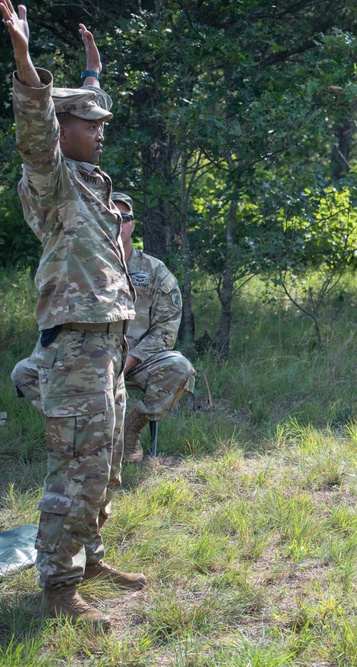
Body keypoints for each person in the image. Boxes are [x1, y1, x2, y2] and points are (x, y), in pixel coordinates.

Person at [3, 5, 146, 628]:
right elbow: (37, 125)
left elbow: (80, 110)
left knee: (107, 459)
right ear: (63, 132)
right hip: (74, 347)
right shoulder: (51, 180)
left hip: (108, 342)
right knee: (79, 465)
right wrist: (24, 60)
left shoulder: (90, 181)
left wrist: (92, 75)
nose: (100, 130)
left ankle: (87, 558)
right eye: (89, 123)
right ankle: (58, 587)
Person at [112, 191, 196, 463]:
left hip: (138, 362)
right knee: (26, 373)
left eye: (125, 217)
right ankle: (79, 439)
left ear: (133, 224)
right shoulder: (81, 267)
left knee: (180, 368)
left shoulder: (155, 271)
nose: (119, 222)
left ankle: (130, 428)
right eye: (112, 215)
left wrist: (130, 360)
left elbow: (166, 330)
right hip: (90, 362)